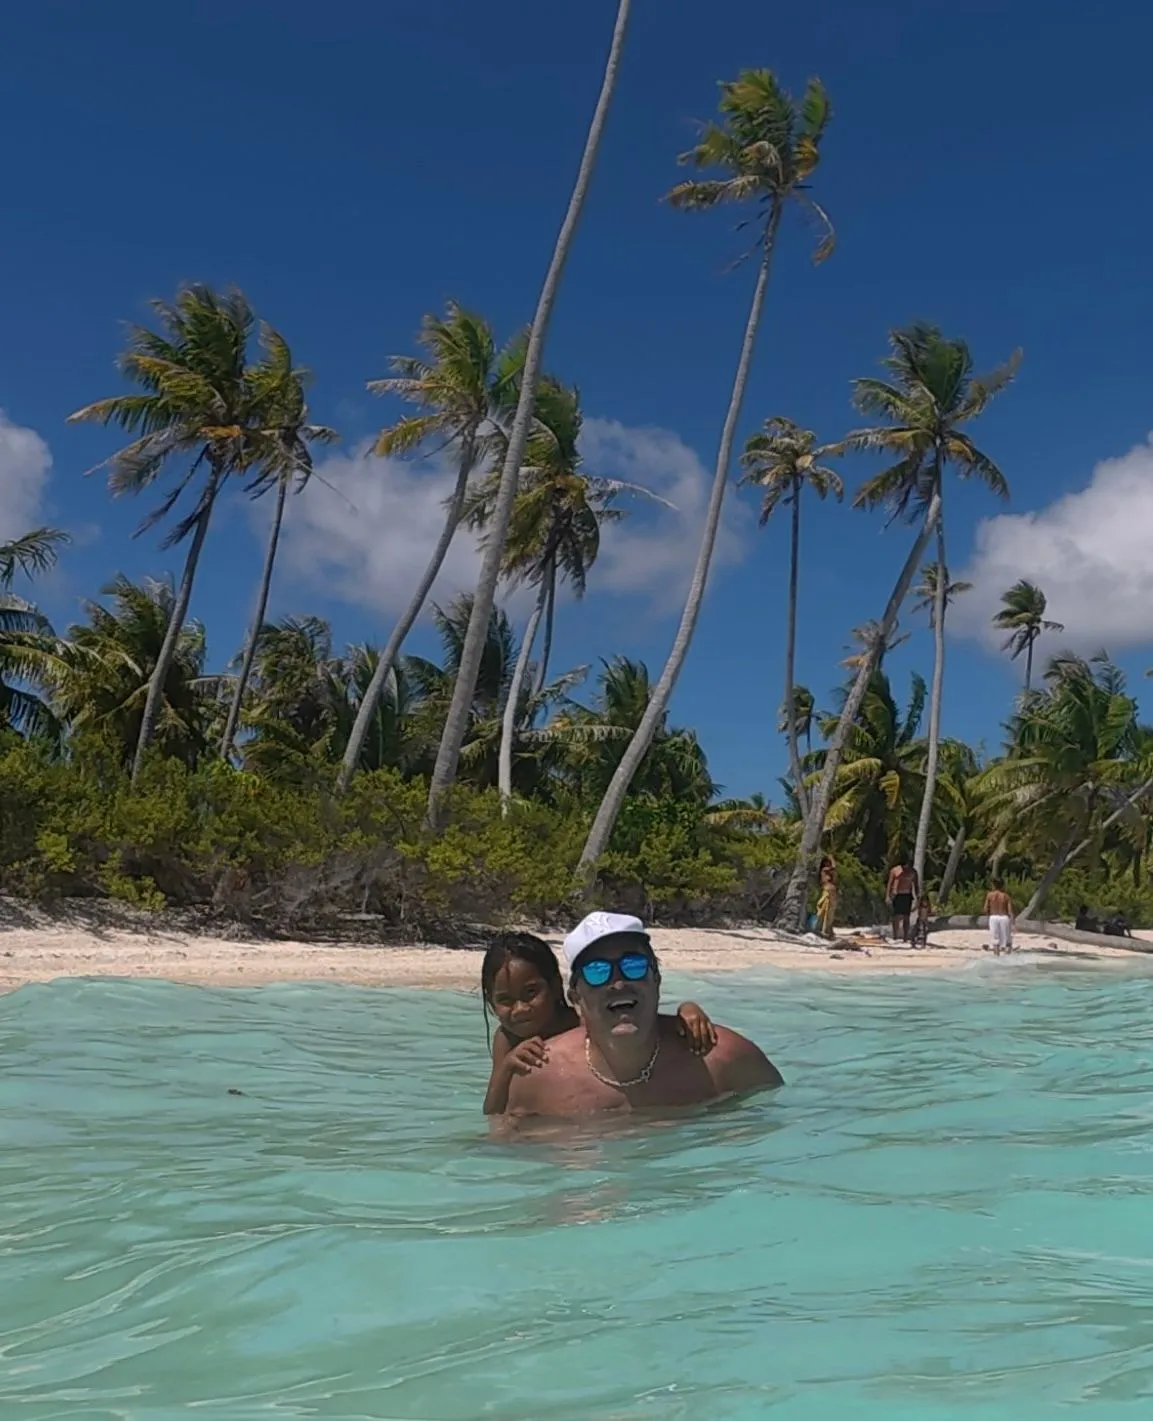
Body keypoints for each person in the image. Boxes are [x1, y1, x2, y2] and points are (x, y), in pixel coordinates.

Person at [501, 912, 782, 1120]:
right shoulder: (539, 1077)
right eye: (597, 971)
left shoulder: (725, 1059)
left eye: (633, 965)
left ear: (656, 978)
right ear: (575, 996)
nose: (619, 982)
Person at [480, 930, 717, 1115]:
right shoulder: (507, 1038)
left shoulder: (581, 1021)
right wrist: (507, 1067)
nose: (520, 1009)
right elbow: (493, 1111)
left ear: (555, 987)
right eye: (505, 1000)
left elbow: (636, 1020)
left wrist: (687, 1010)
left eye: (531, 992)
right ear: (491, 1002)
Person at [886, 858, 920, 942]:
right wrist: (887, 896)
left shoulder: (913, 872)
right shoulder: (895, 870)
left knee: (906, 917)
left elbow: (916, 886)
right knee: (896, 916)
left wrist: (918, 897)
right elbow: (890, 884)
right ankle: (895, 935)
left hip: (907, 895)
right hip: (896, 894)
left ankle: (905, 937)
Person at [983, 877, 1015, 955]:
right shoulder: (1006, 896)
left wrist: (989, 914)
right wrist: (1013, 923)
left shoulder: (989, 895)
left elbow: (985, 909)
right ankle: (1008, 956)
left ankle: (997, 956)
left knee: (995, 940)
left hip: (993, 918)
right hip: (1004, 917)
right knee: (1007, 939)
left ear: (994, 885)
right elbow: (1010, 911)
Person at [815, 855, 838, 938]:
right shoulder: (824, 870)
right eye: (827, 862)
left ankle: (828, 929)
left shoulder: (830, 873)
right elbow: (834, 867)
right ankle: (823, 929)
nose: (829, 863)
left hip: (832, 891)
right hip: (827, 891)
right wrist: (832, 859)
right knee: (825, 910)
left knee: (830, 912)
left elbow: (834, 878)